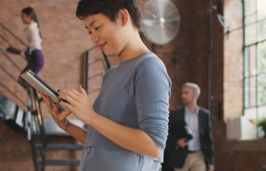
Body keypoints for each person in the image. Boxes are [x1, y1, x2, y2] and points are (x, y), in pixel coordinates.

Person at [40, 0, 171, 170]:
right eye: (89, 31)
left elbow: (153, 145)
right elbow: (103, 142)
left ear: (123, 17)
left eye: (97, 27)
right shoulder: (111, 74)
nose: (94, 37)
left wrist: (91, 117)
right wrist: (66, 126)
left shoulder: (149, 67)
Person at [165, 82, 214, 171]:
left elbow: (208, 138)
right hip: (180, 156)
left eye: (186, 93)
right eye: (182, 93)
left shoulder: (205, 115)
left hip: (199, 156)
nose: (183, 96)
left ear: (195, 95)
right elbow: (166, 133)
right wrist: (177, 142)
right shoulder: (176, 114)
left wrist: (210, 162)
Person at [6, 7, 44, 74]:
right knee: (24, 79)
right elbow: (37, 41)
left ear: (29, 16)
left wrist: (21, 49)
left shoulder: (31, 28)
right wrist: (21, 49)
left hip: (35, 57)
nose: (21, 18)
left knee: (28, 80)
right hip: (34, 57)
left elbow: (35, 43)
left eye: (23, 16)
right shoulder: (30, 27)